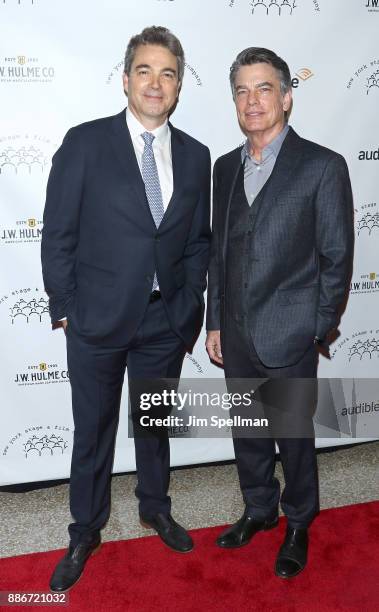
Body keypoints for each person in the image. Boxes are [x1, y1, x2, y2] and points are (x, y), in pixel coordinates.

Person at [41, 26, 211, 592]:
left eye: (167, 73)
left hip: (166, 320)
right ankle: (85, 529)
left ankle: (154, 507)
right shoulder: (86, 142)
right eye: (145, 70)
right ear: (125, 79)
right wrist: (65, 308)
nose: (155, 83)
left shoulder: (195, 155)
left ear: (179, 86)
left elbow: (196, 241)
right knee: (92, 431)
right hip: (96, 321)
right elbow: (59, 232)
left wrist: (188, 305)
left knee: (155, 424)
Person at [206, 47, 353, 578]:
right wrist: (215, 320)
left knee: (293, 437)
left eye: (264, 88)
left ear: (287, 97)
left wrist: (315, 326)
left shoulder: (322, 166)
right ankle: (259, 509)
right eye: (242, 90)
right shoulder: (224, 168)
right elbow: (218, 252)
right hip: (238, 332)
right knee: (248, 428)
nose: (253, 100)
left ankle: (297, 521)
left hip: (291, 332)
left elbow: (337, 257)